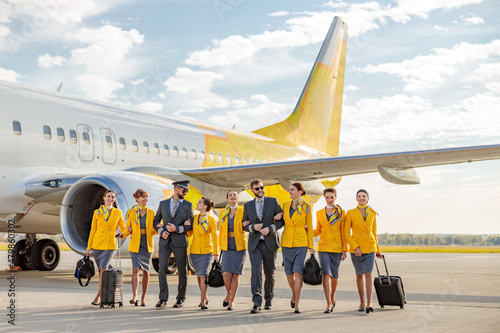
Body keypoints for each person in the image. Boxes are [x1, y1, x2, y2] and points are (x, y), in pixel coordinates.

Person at [243, 179, 284, 314]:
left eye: (261, 187)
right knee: (256, 272)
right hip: (255, 244)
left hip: (270, 242)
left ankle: (268, 299)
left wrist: (271, 228)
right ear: (252, 190)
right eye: (257, 188)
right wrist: (253, 227)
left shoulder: (273, 202)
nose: (260, 190)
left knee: (269, 273)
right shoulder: (248, 205)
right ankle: (256, 302)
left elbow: (281, 221)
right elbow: (244, 225)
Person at [153, 180, 194, 308]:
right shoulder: (163, 203)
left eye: (186, 191)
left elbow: (190, 225)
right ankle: (163, 298)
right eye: (184, 191)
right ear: (176, 189)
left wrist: (177, 228)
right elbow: (156, 220)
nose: (185, 193)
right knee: (162, 269)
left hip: (180, 241)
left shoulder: (188, 205)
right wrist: (161, 231)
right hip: (165, 242)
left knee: (182, 270)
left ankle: (180, 298)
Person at [85, 189, 127, 306]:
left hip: (110, 246)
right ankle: (105, 287)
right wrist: (89, 247)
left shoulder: (118, 212)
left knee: (103, 270)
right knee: (101, 271)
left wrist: (126, 232)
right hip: (98, 245)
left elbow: (123, 227)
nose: (110, 199)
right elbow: (93, 230)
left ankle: (99, 296)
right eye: (108, 196)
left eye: (112, 197)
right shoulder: (97, 213)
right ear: (104, 198)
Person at [344, 189, 382, 314]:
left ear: (368, 198)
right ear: (356, 199)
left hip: (370, 247)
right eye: (359, 196)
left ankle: (370, 303)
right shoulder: (350, 213)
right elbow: (346, 233)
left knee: (368, 274)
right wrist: (355, 247)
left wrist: (377, 250)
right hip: (357, 248)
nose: (361, 198)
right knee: (359, 274)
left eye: (364, 196)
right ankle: (361, 301)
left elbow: (374, 233)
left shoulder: (372, 212)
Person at [281, 182, 315, 313]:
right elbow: (280, 221)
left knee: (298, 273)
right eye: (289, 190)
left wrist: (310, 245)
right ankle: (294, 295)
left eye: (292, 190)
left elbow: (310, 228)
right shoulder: (285, 205)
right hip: (287, 242)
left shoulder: (307, 207)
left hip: (301, 242)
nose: (290, 192)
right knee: (289, 275)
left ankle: (297, 303)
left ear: (300, 191)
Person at [121, 189, 157, 306]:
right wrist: (122, 234)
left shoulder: (151, 213)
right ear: (137, 199)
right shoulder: (132, 213)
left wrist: (153, 231)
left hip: (146, 244)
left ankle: (143, 297)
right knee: (135, 269)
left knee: (146, 271)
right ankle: (135, 295)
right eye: (143, 197)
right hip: (135, 244)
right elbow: (128, 228)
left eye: (146, 197)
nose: (145, 199)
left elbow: (156, 229)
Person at [314, 187, 347, 313]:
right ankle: (328, 302)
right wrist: (307, 230)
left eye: (331, 197)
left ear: (335, 197)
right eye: (327, 197)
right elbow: (318, 230)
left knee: (335, 275)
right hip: (323, 247)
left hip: (337, 247)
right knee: (326, 274)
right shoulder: (319, 213)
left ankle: (333, 295)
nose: (329, 200)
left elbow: (344, 232)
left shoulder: (341, 212)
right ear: (324, 198)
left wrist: (345, 249)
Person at [184, 197, 218, 310]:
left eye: (199, 203)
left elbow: (214, 237)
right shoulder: (194, 218)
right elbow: (190, 234)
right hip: (194, 251)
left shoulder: (211, 219)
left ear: (204, 206)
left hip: (206, 251)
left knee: (203, 276)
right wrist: (187, 225)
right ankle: (205, 296)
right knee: (199, 277)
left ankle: (202, 301)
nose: (197, 204)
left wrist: (216, 254)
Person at [219, 190, 248, 310]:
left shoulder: (243, 211)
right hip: (227, 245)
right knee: (225, 273)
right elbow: (221, 230)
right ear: (227, 199)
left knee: (235, 274)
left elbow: (249, 223)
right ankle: (229, 293)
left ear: (238, 198)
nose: (232, 197)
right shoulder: (222, 212)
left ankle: (232, 300)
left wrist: (248, 222)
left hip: (239, 245)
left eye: (234, 195)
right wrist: (219, 246)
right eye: (230, 195)